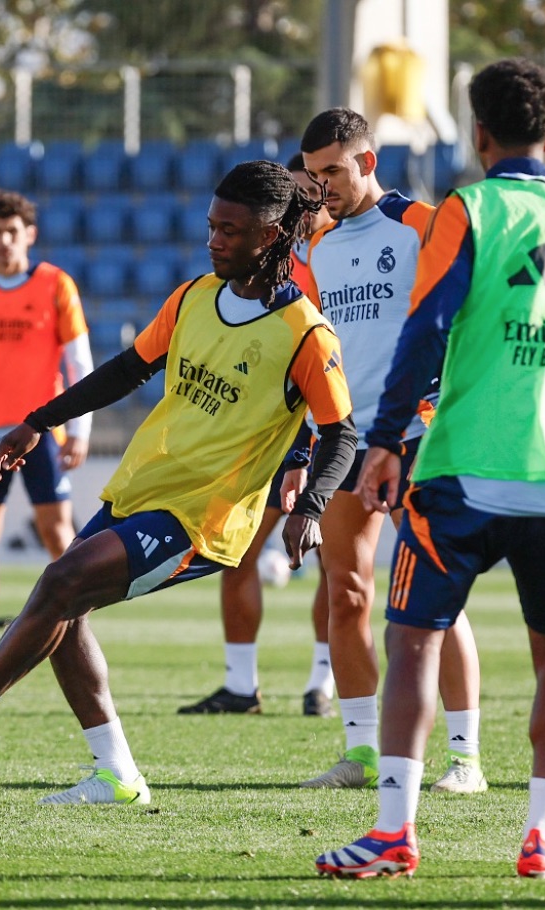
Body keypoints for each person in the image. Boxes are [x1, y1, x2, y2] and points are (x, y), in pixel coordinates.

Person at [0, 159, 358, 805]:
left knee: (60, 582)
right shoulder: (194, 296)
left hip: (205, 518)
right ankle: (116, 774)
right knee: (67, 608)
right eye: (211, 226)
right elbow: (125, 370)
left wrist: (309, 506)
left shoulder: (304, 332)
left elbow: (341, 432)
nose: (214, 240)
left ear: (273, 234)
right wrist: (38, 421)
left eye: (231, 230)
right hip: (142, 489)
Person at [317, 59, 545, 880]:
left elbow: (426, 325)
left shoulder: (468, 211)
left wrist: (383, 440)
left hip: (460, 474)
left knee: (412, 641)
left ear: (479, 135)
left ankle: (393, 833)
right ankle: (543, 841)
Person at [292, 108, 487, 794]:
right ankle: (361, 754)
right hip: (344, 439)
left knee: (437, 595)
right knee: (344, 594)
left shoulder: (423, 225)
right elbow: (315, 352)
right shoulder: (316, 247)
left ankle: (465, 760)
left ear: (368, 162)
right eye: (313, 178)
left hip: (418, 433)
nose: (320, 190)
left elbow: (467, 316)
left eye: (333, 173)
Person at [177, 154, 336, 717]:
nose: (300, 206)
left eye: (307, 194)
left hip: (340, 438)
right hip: (277, 440)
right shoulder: (271, 271)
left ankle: (322, 681)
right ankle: (241, 685)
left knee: (337, 567)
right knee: (236, 555)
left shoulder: (340, 262)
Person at [0, 189, 94, 678]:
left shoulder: (55, 285)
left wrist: (81, 429)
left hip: (41, 431)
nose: (5, 241)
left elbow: (79, 362)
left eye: (13, 231)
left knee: (58, 535)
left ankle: (76, 635)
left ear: (29, 235)